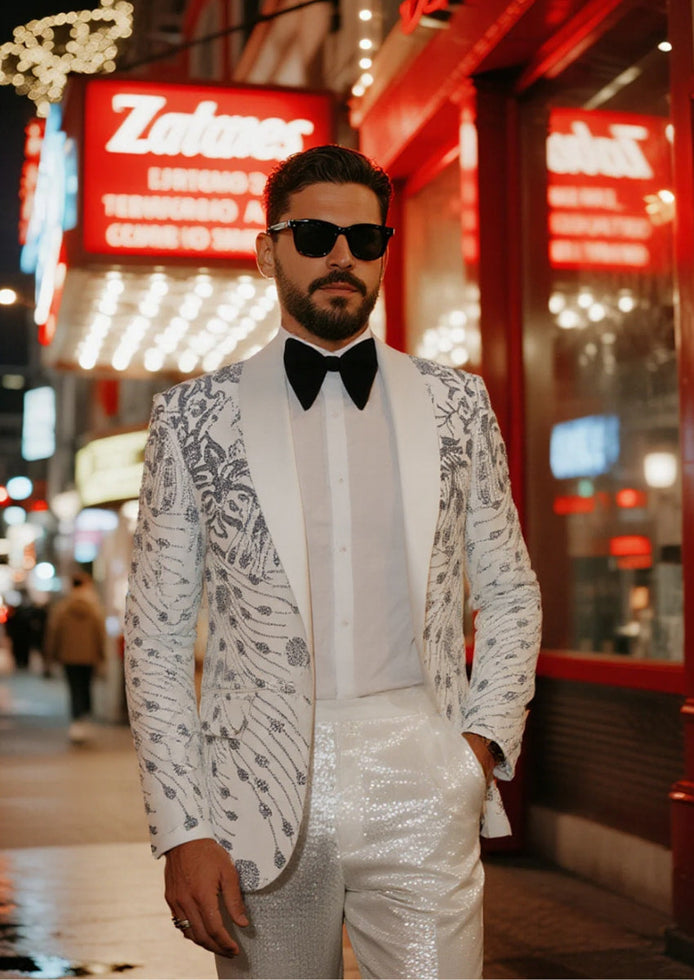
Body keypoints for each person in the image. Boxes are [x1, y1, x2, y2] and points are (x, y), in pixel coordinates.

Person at [124, 144, 542, 980]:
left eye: (364, 237)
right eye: (314, 235)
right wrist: (183, 826)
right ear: (267, 248)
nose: (341, 256)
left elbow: (510, 592)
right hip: (253, 792)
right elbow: (157, 641)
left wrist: (479, 749)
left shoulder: (457, 401)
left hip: (422, 773)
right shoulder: (191, 418)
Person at [45, 571, 106, 743]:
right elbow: (100, 634)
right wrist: (101, 655)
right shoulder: (94, 608)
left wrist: (51, 656)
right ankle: (85, 718)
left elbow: (54, 633)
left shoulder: (63, 608)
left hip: (68, 656)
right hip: (89, 656)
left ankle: (76, 721)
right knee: (87, 687)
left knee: (74, 688)